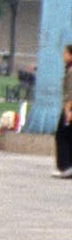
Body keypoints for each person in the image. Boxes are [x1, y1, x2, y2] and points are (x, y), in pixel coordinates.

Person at [52, 43, 72, 178]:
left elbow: (70, 93)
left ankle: (65, 166)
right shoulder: (68, 69)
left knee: (62, 136)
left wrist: (68, 111)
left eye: (65, 53)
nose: (63, 56)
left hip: (69, 108)